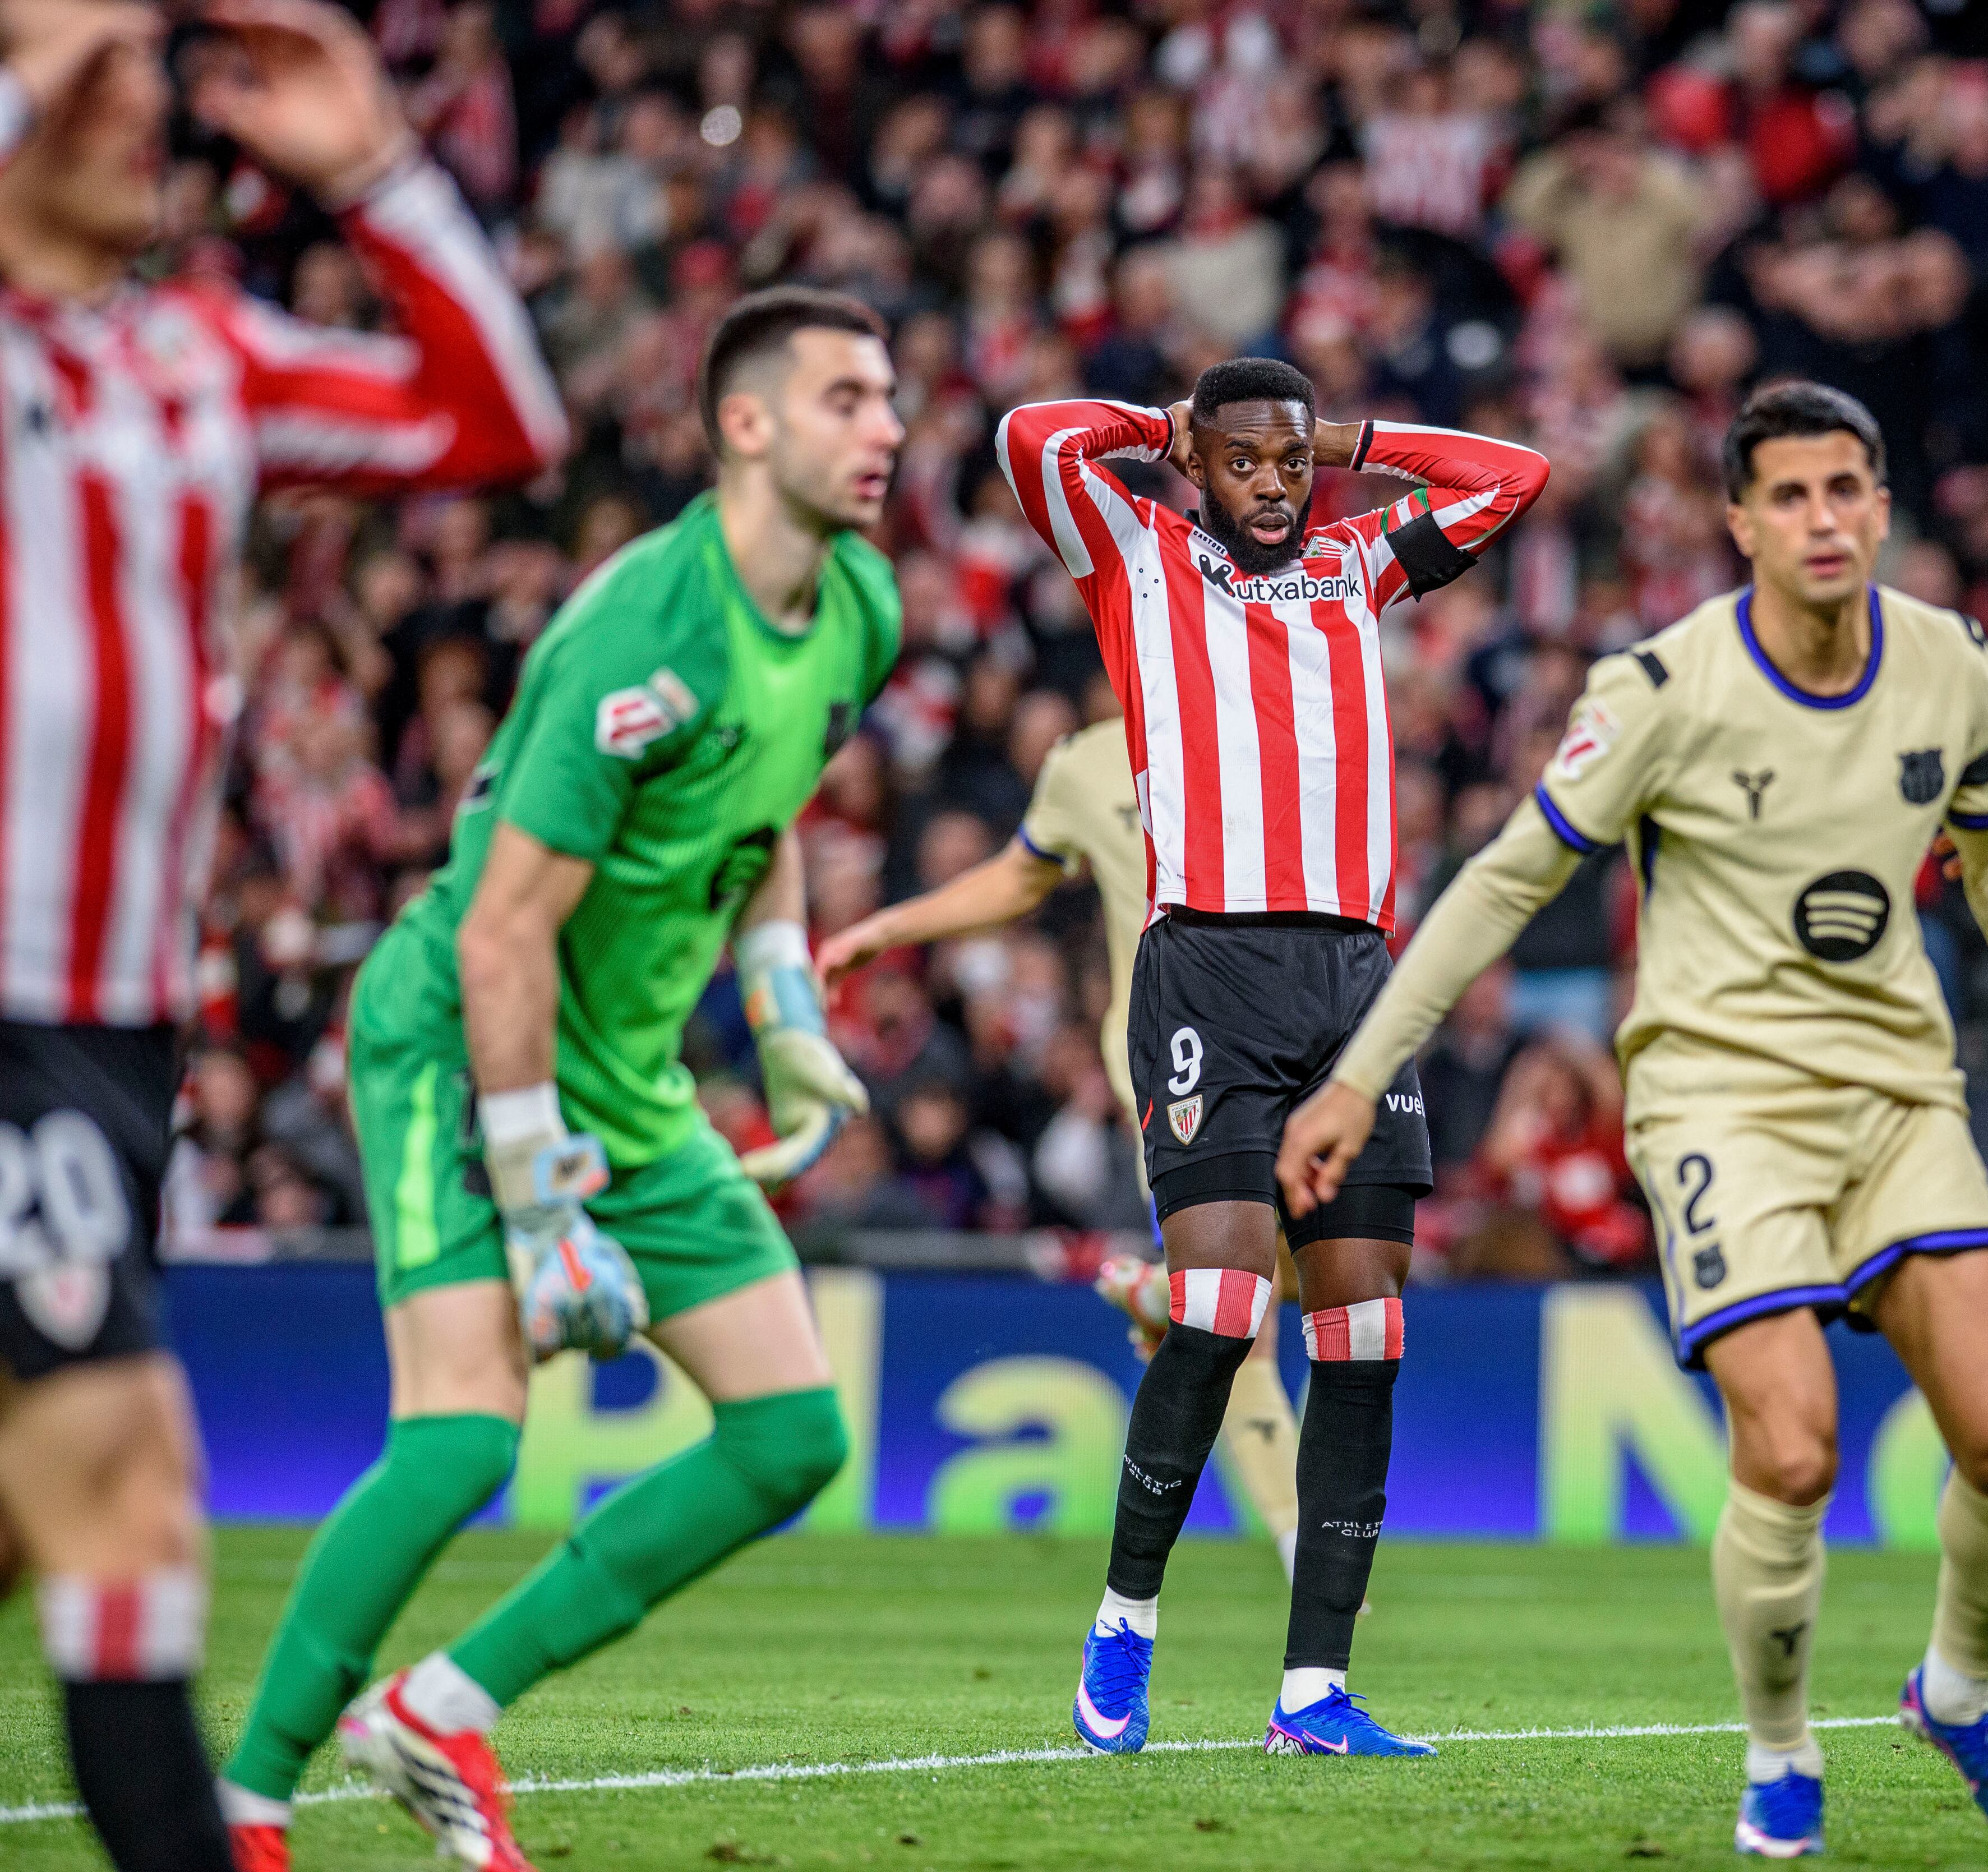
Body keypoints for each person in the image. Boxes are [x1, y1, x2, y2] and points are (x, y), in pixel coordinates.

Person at [1279, 382, 1988, 1857]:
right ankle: (1781, 1752)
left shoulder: (1951, 666)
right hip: (1718, 1099)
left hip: (1899, 1095)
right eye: (1790, 496)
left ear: (1881, 507)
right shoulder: (1660, 690)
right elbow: (1504, 878)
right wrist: (1362, 1072)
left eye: (1846, 491)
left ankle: (1953, 1692)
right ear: (1740, 523)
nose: (1823, 519)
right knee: (1795, 1447)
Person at [218, 287, 901, 1872]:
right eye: (847, 400)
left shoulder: (859, 604)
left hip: (630, 1071)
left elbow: (766, 806)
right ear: (747, 425)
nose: (886, 431)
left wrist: (786, 997)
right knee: (464, 1438)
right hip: (465, 1039)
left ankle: (441, 1710)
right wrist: (536, 1204)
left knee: (793, 1433)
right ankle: (247, 1804)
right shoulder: (637, 631)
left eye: (888, 401)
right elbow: (504, 935)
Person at [0, 2, 564, 1866]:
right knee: (126, 1485)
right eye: (77, 67)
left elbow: (498, 420)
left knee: (43, 1505)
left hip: (117, 1029)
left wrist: (381, 174)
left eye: (134, 65)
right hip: (5, 1014)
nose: (124, 93)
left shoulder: (196, 354)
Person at [995, 364, 1546, 1758]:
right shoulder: (1139, 551)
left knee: (1364, 1333)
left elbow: (1514, 477)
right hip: (1211, 970)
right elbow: (1031, 437)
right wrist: (1156, 429)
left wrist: (1354, 441)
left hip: (1359, 983)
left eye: (1289, 465)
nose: (1269, 486)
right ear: (1198, 466)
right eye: (1241, 462)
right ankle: (1123, 1625)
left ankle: (1313, 1691)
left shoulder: (1361, 560)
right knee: (1224, 1300)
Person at [814, 711, 1306, 1576]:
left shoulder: (1270, 715)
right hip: (1170, 1054)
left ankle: (1164, 1292)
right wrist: (885, 929)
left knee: (1326, 1265)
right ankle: (1300, 1537)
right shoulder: (1086, 762)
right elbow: (1016, 877)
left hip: (1298, 1040)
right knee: (1246, 1289)